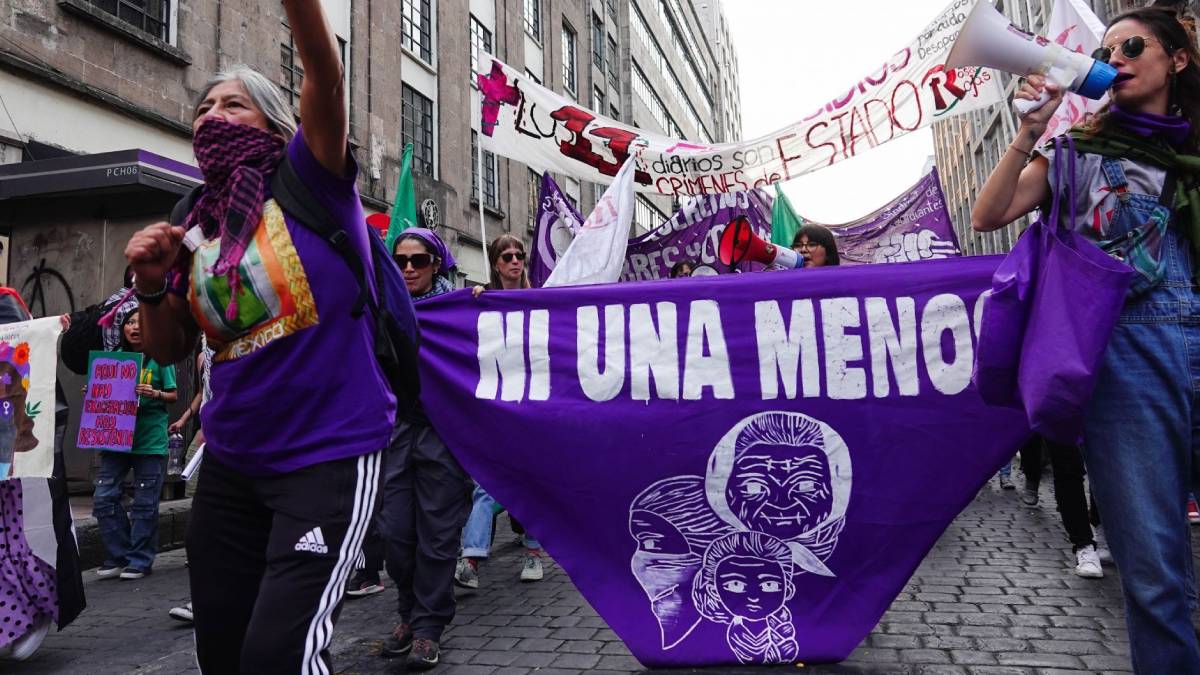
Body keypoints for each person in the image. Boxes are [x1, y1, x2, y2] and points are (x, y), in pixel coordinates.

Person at [122, 2, 395, 671]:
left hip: (326, 454)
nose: (213, 115)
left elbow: (325, 78)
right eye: (203, 107)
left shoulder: (311, 176)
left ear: (277, 121)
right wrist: (154, 284)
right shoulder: (195, 218)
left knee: (278, 655)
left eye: (234, 105)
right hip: (232, 463)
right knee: (223, 650)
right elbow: (171, 347)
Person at [972, 8, 1200, 671]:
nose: (1115, 56)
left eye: (1132, 45)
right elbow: (991, 213)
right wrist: (1029, 130)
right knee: (1155, 569)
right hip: (1127, 357)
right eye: (1105, 49)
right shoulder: (1077, 151)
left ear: (1177, 59)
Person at [377, 228, 472, 670]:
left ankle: (428, 628)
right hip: (394, 433)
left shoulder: (456, 310)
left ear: (436, 265)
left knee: (437, 538)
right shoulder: (381, 308)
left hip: (442, 435)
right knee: (395, 534)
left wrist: (481, 305)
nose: (408, 268)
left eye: (418, 260)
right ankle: (408, 613)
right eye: (400, 260)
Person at [459, 235, 546, 588]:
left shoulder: (539, 300)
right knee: (485, 487)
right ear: (495, 263)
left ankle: (533, 553)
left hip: (532, 410)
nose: (514, 261)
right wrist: (474, 302)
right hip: (495, 410)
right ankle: (471, 560)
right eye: (506, 256)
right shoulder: (483, 300)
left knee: (532, 484)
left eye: (519, 255)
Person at [92, 310, 177, 581]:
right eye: (130, 322)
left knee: (144, 503)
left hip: (148, 441)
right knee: (104, 497)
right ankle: (118, 555)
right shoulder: (115, 356)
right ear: (123, 328)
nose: (135, 327)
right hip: (115, 440)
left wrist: (156, 393)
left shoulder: (161, 357)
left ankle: (139, 560)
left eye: (141, 322)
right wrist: (94, 392)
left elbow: (174, 395)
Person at [1018, 436, 1106, 578]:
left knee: (1103, 464)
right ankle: (1083, 544)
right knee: (1067, 466)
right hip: (1060, 416)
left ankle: (1102, 528)